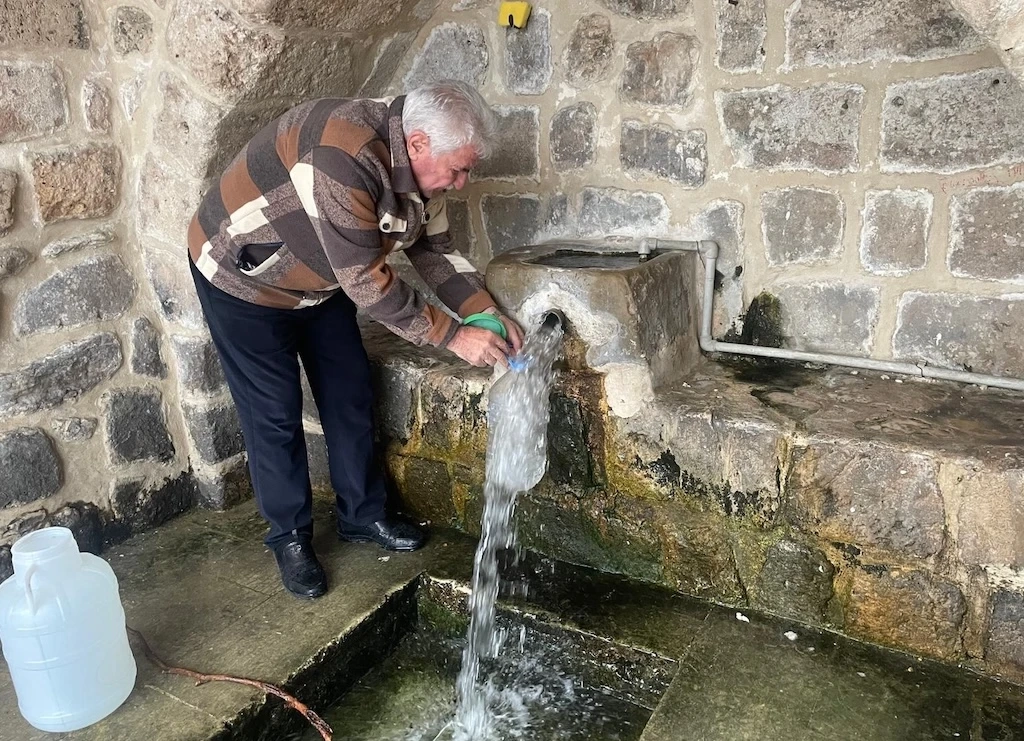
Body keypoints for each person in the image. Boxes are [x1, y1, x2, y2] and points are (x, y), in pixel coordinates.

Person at [186, 81, 524, 599]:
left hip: (323, 276)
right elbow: (367, 282)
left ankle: (362, 516)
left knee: (348, 391)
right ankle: (289, 537)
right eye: (458, 169)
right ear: (418, 144)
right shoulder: (341, 158)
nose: (462, 183)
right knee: (273, 411)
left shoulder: (421, 170)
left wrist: (483, 310)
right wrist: (454, 336)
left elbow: (434, 251)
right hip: (244, 278)